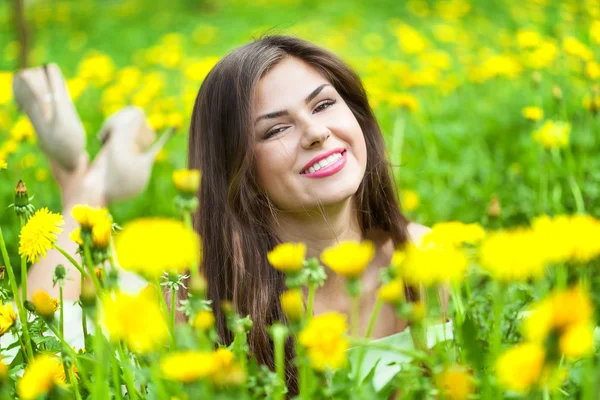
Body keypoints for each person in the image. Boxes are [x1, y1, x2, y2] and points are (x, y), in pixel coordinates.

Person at [21, 35, 445, 392]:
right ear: (236, 168)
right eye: (276, 129)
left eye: (323, 105)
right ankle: (86, 185)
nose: (317, 133)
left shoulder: (424, 263)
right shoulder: (199, 297)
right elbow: (40, 346)